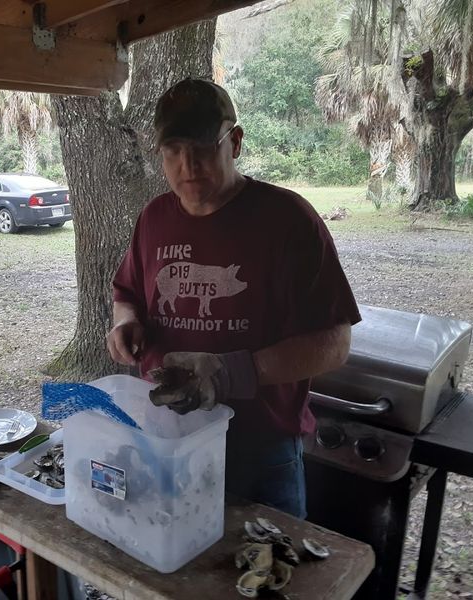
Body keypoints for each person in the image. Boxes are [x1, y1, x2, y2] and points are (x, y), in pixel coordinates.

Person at [106, 78, 361, 519]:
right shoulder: (154, 218)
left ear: (235, 142)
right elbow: (126, 292)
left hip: (260, 451)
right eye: (173, 150)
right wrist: (124, 321)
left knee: (266, 577)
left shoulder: (288, 221)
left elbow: (334, 343)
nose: (187, 166)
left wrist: (230, 372)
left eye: (203, 148)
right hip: (168, 438)